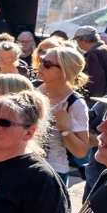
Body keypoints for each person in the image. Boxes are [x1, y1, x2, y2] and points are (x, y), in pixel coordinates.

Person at [36, 46, 92, 182]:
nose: (41, 65)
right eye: (42, 60)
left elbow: (81, 152)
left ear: (65, 72)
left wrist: (65, 130)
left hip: (52, 172)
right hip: (25, 164)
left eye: (47, 64)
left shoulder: (75, 104)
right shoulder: (34, 89)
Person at [73, 26, 107, 99]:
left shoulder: (94, 53)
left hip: (99, 101)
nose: (78, 44)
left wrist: (92, 100)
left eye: (77, 41)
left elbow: (95, 82)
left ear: (83, 40)